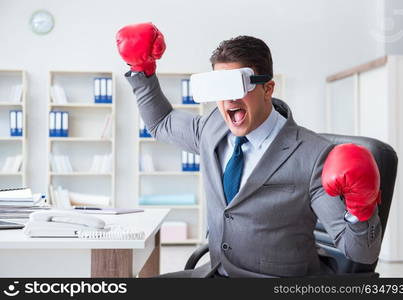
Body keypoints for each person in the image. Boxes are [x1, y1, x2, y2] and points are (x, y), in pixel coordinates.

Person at [116, 23, 382, 278]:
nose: (229, 99)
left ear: (268, 88)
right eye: (221, 88)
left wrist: (361, 208)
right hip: (216, 272)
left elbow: (361, 252)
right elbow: (162, 123)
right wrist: (142, 69)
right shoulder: (212, 127)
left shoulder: (314, 156)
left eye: (238, 86)